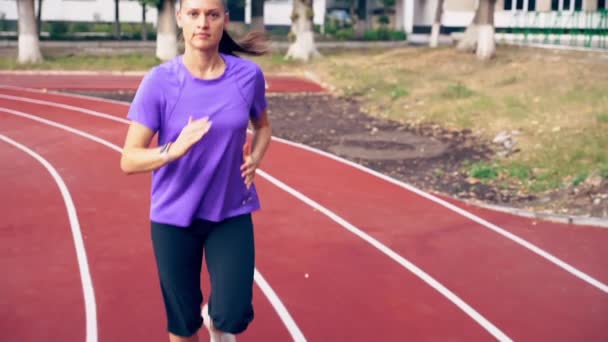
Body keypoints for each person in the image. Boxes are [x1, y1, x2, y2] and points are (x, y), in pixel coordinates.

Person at [119, 0, 272, 340]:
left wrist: (257, 156)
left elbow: (262, 127)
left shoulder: (247, 77)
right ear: (180, 19)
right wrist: (174, 149)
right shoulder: (159, 82)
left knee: (232, 314)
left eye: (212, 14)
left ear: (224, 21)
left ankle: (217, 323)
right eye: (194, 14)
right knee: (183, 324)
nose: (203, 22)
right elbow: (128, 159)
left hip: (230, 211)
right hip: (174, 217)